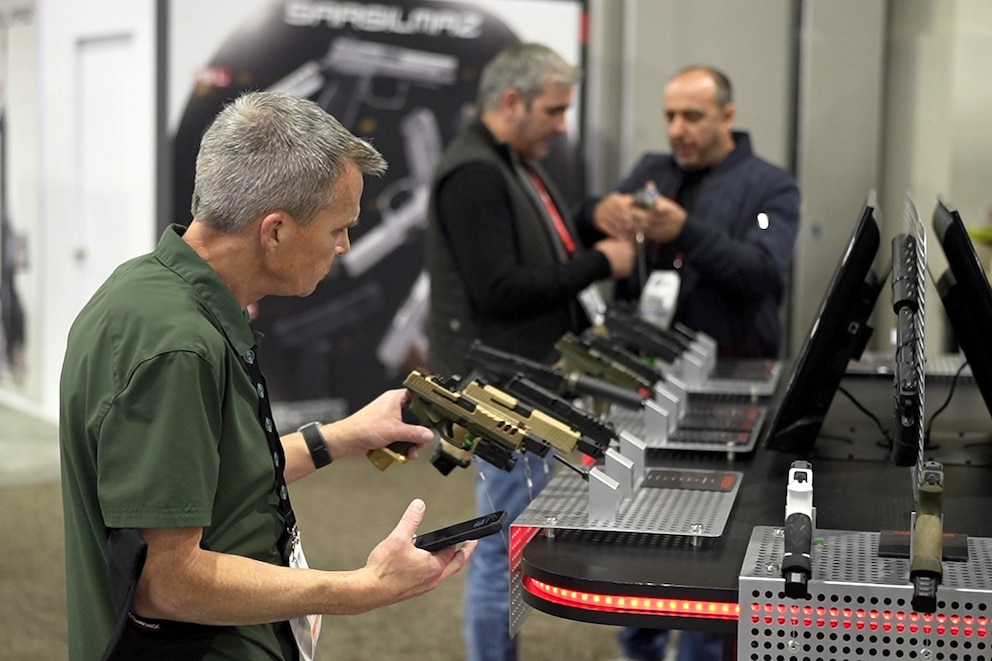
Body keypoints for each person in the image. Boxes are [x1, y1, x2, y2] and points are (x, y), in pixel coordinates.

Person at [59, 91, 476, 661]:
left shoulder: (151, 292)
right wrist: (362, 588)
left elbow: (219, 479)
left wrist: (341, 437)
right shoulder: (178, 347)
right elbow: (166, 583)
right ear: (275, 230)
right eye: (338, 228)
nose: (345, 246)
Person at [577, 66, 800, 661]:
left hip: (730, 387)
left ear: (727, 116)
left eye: (693, 116)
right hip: (646, 381)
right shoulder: (652, 170)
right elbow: (587, 219)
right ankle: (641, 641)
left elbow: (763, 273)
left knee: (709, 543)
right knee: (638, 527)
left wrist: (686, 231)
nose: (678, 129)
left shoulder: (771, 188)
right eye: (671, 115)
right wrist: (601, 210)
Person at [425, 43, 637, 661]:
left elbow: (536, 241)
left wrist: (591, 217)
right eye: (554, 110)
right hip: (501, 394)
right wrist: (601, 261)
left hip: (519, 386)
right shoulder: (475, 173)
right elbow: (500, 289)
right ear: (513, 102)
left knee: (510, 547)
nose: (562, 125)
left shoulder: (505, 162)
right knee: (504, 552)